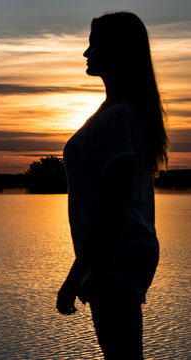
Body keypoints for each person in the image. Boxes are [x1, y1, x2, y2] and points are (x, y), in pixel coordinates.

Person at [56, 12, 168, 360]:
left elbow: (112, 202)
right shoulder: (112, 112)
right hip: (113, 253)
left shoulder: (120, 115)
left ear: (116, 50)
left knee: (122, 356)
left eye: (95, 44)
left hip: (115, 253)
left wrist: (75, 275)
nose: (86, 53)